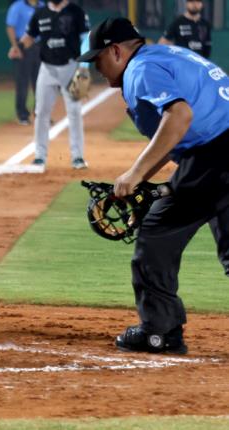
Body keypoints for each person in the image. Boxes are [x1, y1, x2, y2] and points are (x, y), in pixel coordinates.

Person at [77, 17, 229, 354]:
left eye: (98, 58)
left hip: (214, 153)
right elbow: (175, 135)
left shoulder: (140, 71)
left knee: (157, 233)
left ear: (116, 51)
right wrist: (145, 177)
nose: (97, 68)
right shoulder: (166, 55)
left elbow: (179, 116)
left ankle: (159, 332)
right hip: (214, 151)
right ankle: (162, 329)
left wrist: (133, 174)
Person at [20, 0, 90, 170]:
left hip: (71, 67)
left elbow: (86, 39)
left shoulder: (76, 11)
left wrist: (84, 66)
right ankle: (39, 156)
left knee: (74, 112)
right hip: (47, 69)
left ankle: (78, 157)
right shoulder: (40, 13)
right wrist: (18, 47)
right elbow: (29, 36)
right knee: (41, 111)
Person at [6, 0, 44, 125]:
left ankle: (40, 113)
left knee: (42, 83)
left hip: (40, 46)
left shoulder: (43, 6)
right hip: (23, 46)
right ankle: (22, 114)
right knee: (22, 82)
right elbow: (10, 26)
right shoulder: (18, 6)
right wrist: (15, 46)